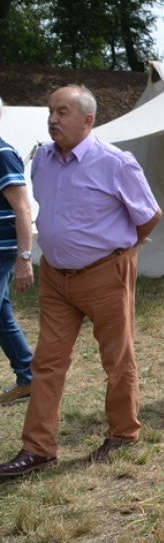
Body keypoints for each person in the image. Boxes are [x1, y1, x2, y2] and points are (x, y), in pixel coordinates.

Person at [0, 85, 162, 478]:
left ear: (88, 120)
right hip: (56, 278)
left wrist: (120, 251)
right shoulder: (42, 159)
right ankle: (38, 449)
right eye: (51, 111)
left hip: (106, 274)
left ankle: (123, 433)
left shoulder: (115, 162)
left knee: (116, 358)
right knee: (47, 362)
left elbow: (149, 215)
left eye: (63, 112)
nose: (52, 119)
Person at [0, 96, 34, 406]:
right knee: (2, 317)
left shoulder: (4, 154)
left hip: (2, 252)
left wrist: (25, 258)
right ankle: (28, 377)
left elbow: (22, 208)